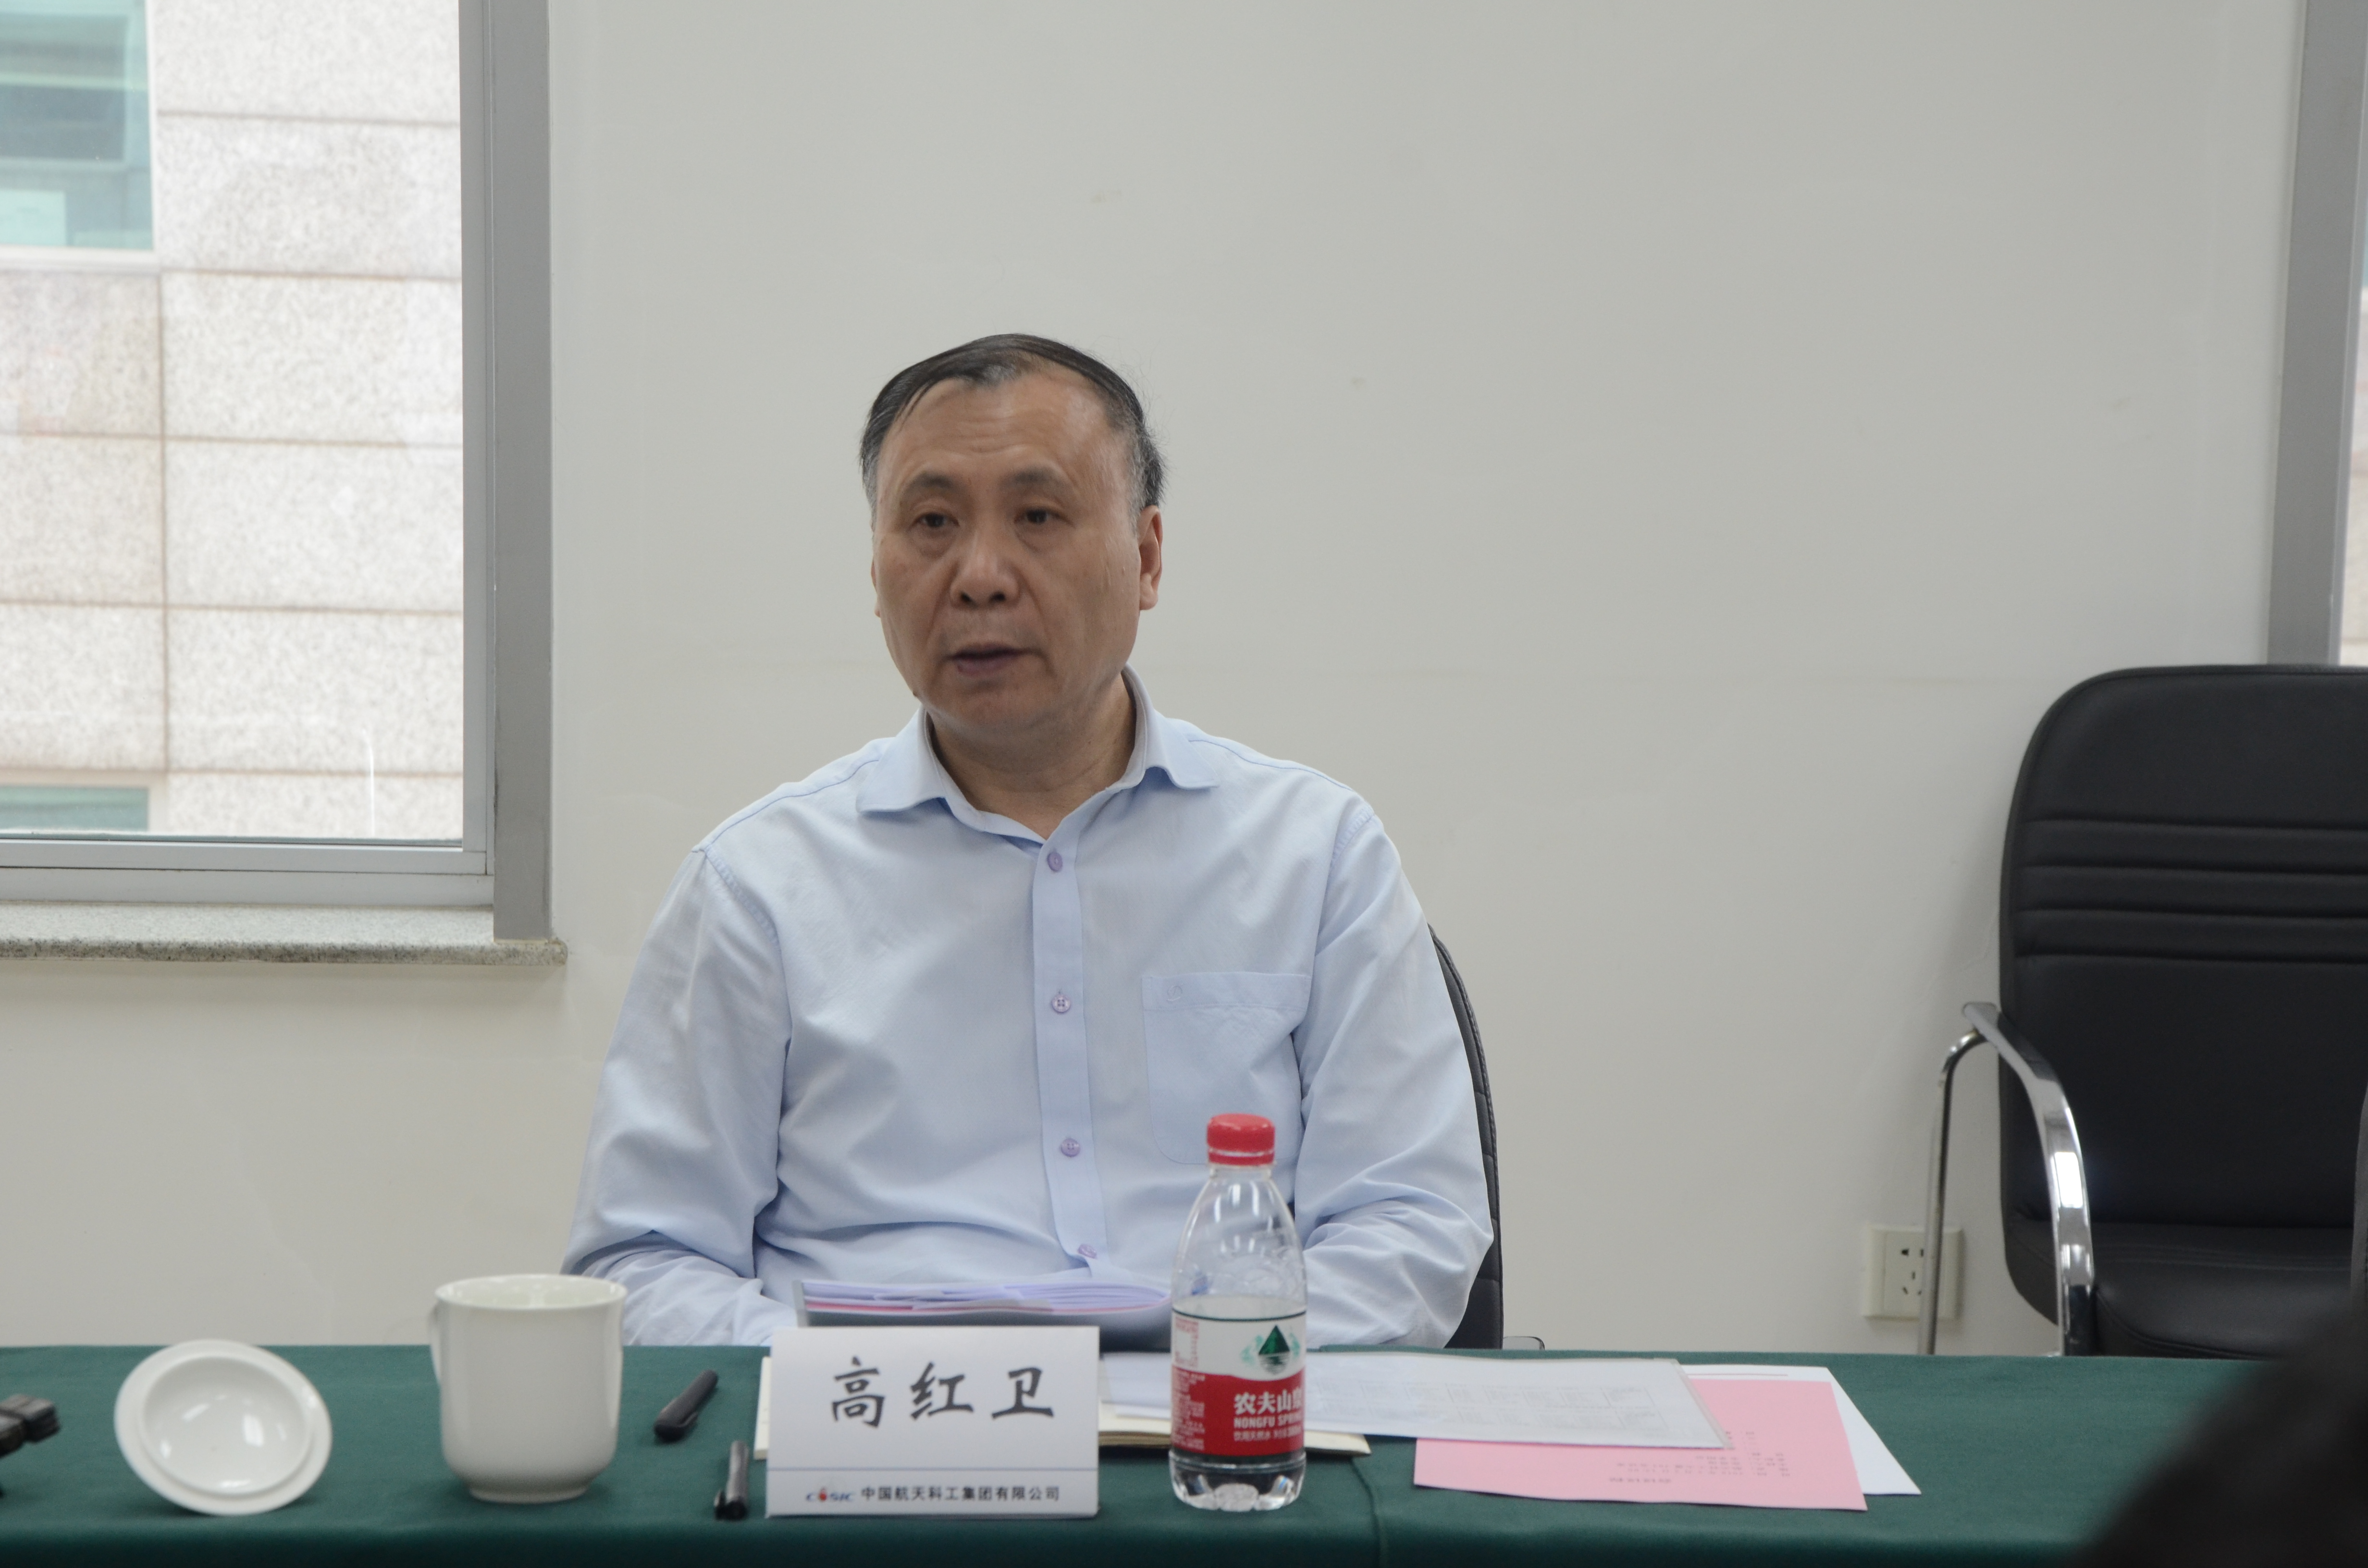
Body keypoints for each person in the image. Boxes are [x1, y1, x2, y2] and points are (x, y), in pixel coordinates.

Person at [563, 334, 1492, 1347]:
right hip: (879, 1426)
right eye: (931, 523)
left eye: (1039, 517)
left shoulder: (1316, 857)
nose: (980, 577)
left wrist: (1206, 1371)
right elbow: (644, 1261)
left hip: (1220, 1420)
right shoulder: (757, 888)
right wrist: (858, 1386)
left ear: (1146, 558)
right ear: (874, 570)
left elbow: (1413, 1226)